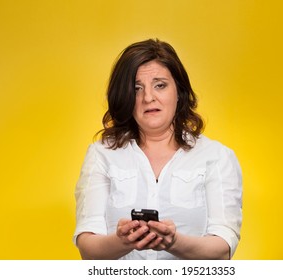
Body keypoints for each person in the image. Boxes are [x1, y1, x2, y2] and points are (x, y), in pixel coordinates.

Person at [73, 38, 242, 260]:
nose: (148, 97)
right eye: (136, 88)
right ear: (124, 96)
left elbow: (223, 249)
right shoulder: (101, 155)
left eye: (160, 85)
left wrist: (174, 242)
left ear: (179, 92)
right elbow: (88, 248)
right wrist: (122, 241)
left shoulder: (217, 157)